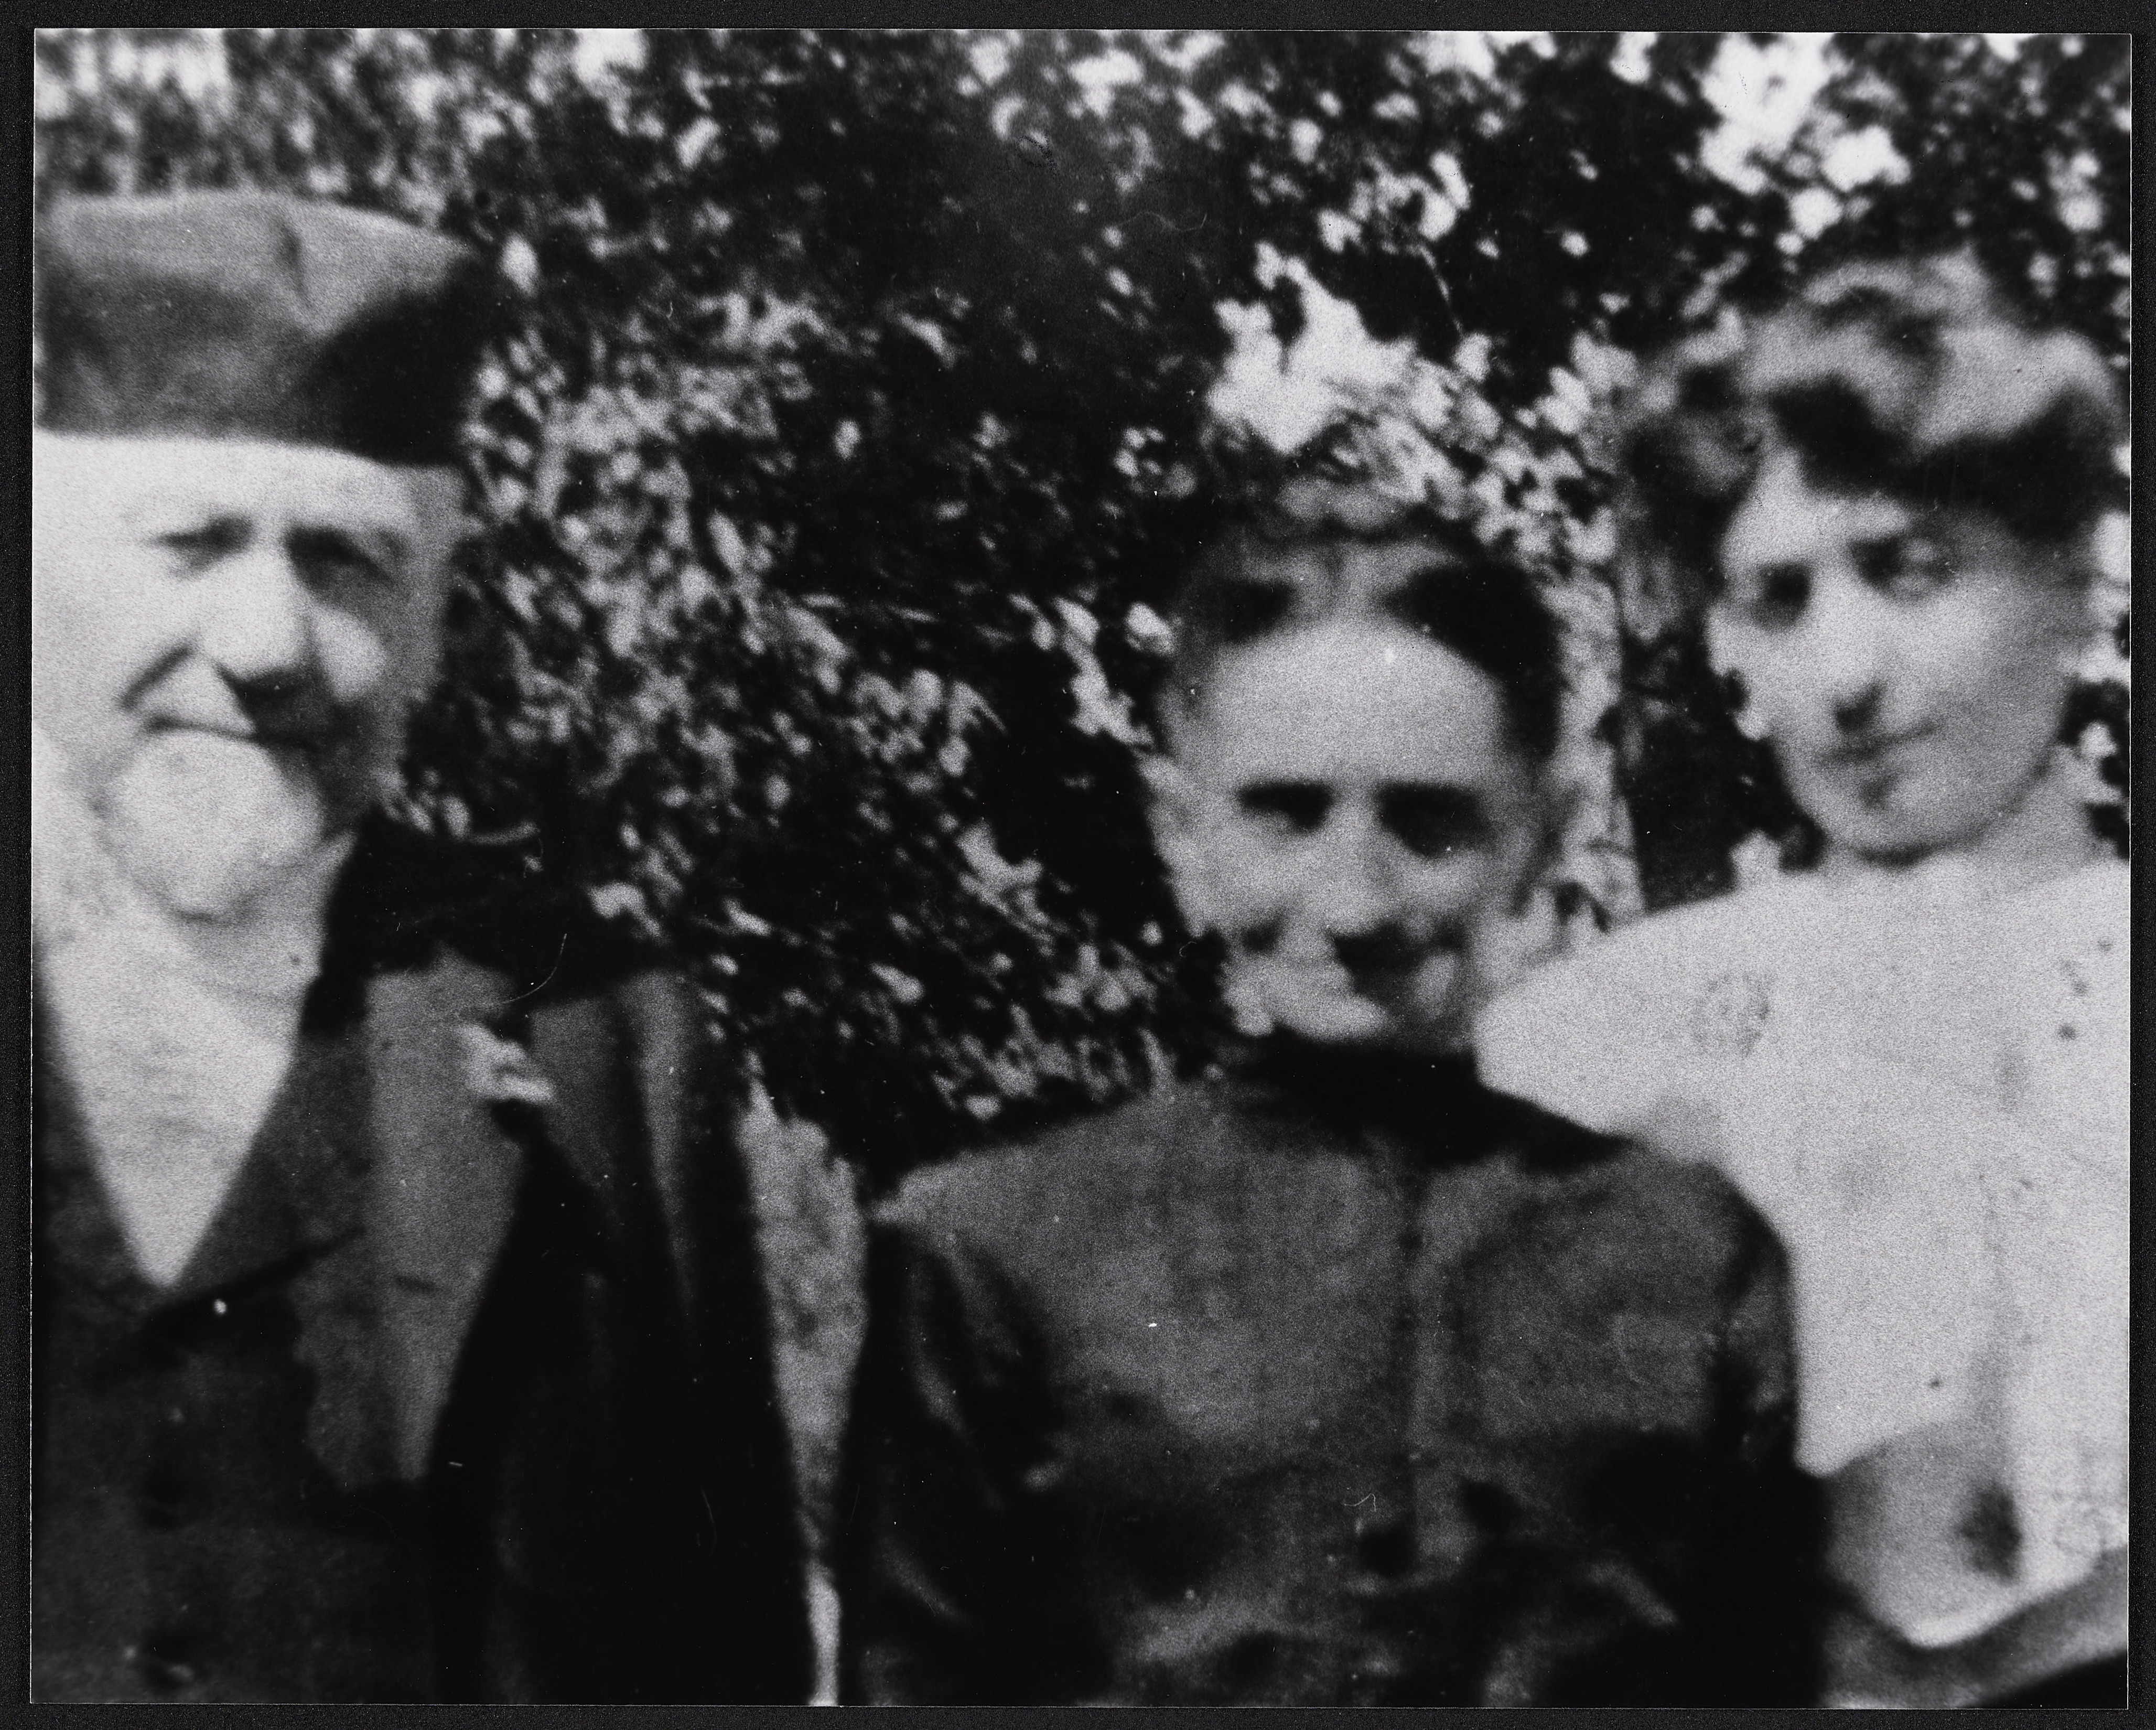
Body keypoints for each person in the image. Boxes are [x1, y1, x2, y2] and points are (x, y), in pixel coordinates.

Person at [834, 468, 1822, 1706]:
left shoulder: (1695, 1260)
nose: (1352, 901)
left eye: (1430, 823)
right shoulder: (991, 1254)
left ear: (1543, 832)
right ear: (1180, 831)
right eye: (1284, 815)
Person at [30, 189, 810, 1702]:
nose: (264, 645)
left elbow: (730, 1652)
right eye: (191, 541)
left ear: (437, 617)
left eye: (345, 559)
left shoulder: (607, 1044)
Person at [1477, 255, 2128, 1707]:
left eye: (1911, 568)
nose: (1844, 674)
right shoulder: (1604, 1043)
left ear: (2073, 589)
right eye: (1778, 597)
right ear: (1722, 637)